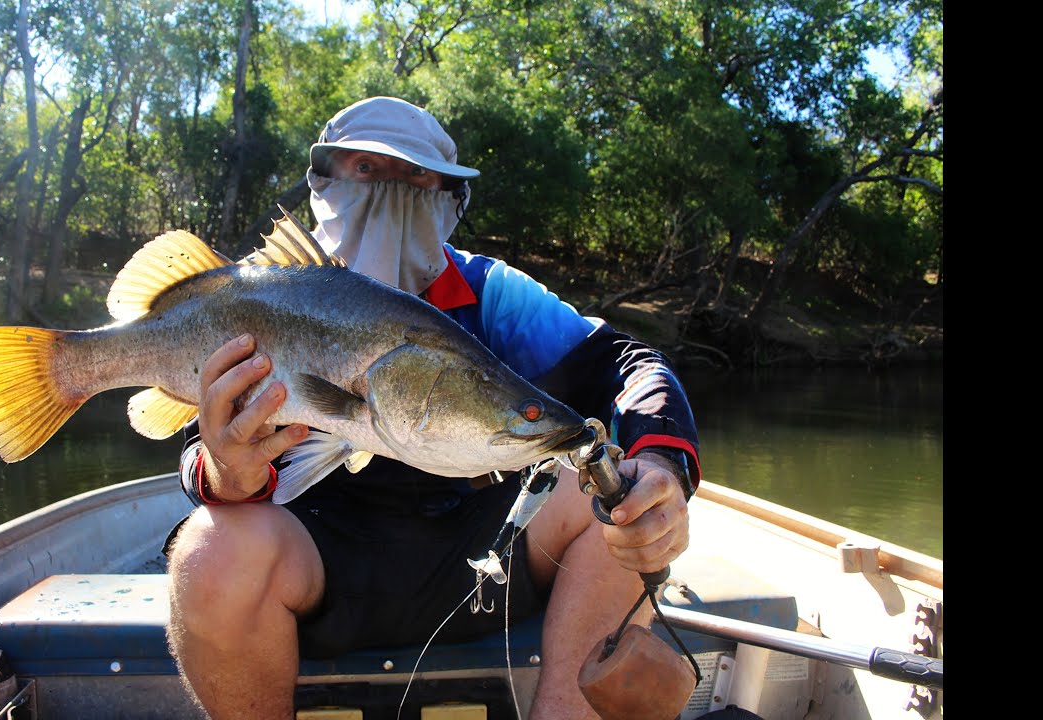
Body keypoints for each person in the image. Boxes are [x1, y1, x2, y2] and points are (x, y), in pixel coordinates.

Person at [163, 96, 700, 719]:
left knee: (613, 498)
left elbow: (628, 362)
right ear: (323, 184)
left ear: (451, 199)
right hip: (312, 560)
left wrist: (661, 462)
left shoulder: (491, 293)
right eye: (366, 169)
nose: (391, 190)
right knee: (209, 548)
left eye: (416, 176)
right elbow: (193, 449)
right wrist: (228, 474)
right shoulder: (255, 292)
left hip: (483, 557)